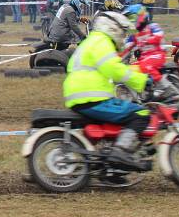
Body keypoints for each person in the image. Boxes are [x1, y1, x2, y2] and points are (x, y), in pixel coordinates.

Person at [64, 11, 151, 171]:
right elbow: (113, 69)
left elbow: (114, 67)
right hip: (92, 97)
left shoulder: (92, 41)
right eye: (123, 32)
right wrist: (142, 81)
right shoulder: (102, 42)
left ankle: (109, 170)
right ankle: (120, 153)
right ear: (113, 28)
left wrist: (139, 71)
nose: (123, 36)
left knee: (112, 125)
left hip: (80, 95)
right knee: (141, 114)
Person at [122, 7, 174, 99]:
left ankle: (165, 86)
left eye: (131, 18)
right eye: (129, 19)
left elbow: (159, 36)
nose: (130, 21)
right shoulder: (133, 33)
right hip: (144, 58)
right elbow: (127, 47)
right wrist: (118, 57)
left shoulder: (152, 26)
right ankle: (145, 91)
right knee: (129, 69)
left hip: (157, 54)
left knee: (144, 65)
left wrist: (147, 41)